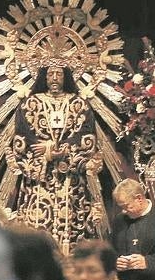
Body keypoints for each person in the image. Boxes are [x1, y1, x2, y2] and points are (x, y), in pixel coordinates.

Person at [6, 65, 102, 249]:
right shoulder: (30, 104)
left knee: (71, 224)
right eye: (51, 74)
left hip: (70, 180)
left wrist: (64, 150)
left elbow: (86, 135)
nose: (55, 78)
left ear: (66, 77)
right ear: (44, 77)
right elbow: (23, 137)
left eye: (59, 74)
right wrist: (48, 152)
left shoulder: (78, 104)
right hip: (39, 182)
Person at [110, 178, 155, 280]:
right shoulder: (119, 220)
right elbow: (111, 249)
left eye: (126, 206)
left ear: (139, 198)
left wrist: (147, 262)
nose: (123, 211)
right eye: (121, 207)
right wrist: (116, 261)